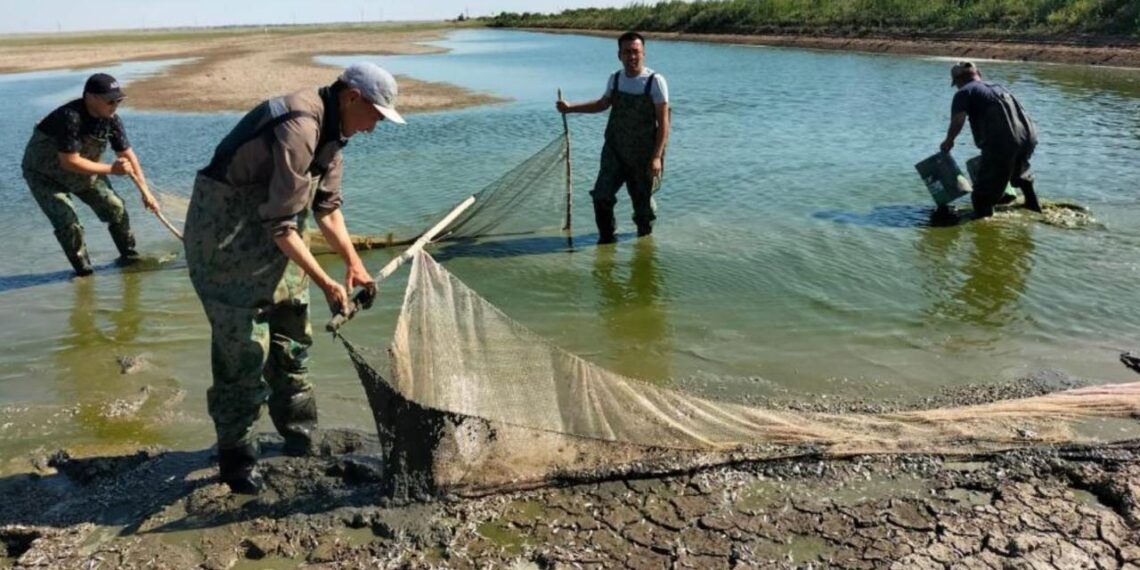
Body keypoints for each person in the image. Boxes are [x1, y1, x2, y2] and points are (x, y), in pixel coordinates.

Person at [184, 62, 400, 494]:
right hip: (225, 238)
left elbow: (326, 209)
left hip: (275, 237)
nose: (374, 128)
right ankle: (237, 464)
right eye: (375, 116)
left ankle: (299, 436)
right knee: (244, 353)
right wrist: (326, 282)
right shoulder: (300, 125)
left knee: (292, 337)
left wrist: (353, 264)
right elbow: (283, 224)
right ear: (351, 97)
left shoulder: (337, 134)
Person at [22, 73, 159, 276]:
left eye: (119, 100)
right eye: (110, 101)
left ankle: (129, 259)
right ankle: (84, 274)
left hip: (83, 172)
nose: (115, 105)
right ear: (91, 97)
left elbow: (128, 155)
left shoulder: (111, 120)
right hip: (44, 176)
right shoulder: (70, 117)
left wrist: (146, 192)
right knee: (68, 223)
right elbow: (69, 161)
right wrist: (112, 170)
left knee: (116, 208)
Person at [557, 31, 671, 244]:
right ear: (619, 55)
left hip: (643, 155)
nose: (632, 57)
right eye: (626, 52)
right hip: (614, 152)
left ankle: (644, 242)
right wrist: (570, 108)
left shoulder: (655, 82)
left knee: (642, 209)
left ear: (643, 53)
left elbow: (664, 124)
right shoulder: (616, 79)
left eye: (635, 52)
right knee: (601, 196)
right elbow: (602, 104)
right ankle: (607, 240)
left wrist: (656, 157)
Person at [940, 61, 1041, 219]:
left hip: (1004, 142)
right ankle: (1033, 206)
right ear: (978, 73)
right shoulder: (999, 87)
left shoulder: (964, 92)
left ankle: (985, 226)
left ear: (958, 80)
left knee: (981, 196)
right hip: (1029, 136)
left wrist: (949, 141)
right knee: (1019, 174)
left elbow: (958, 121)